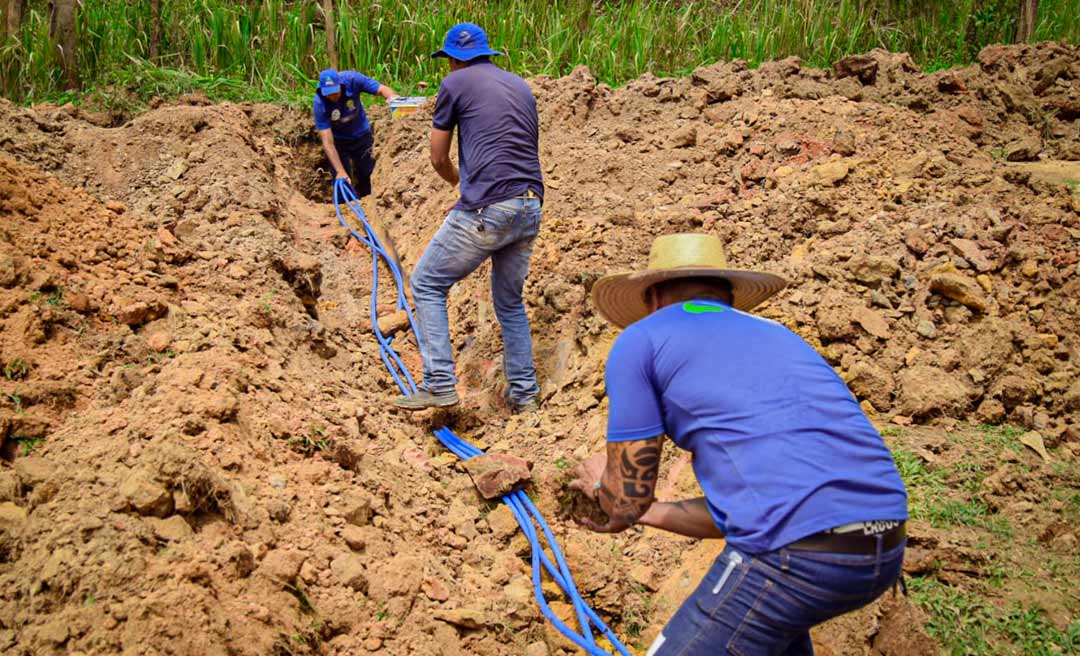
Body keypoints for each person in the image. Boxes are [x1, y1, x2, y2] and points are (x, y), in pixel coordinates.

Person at [569, 233, 909, 656]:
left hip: (795, 558)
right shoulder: (780, 336)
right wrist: (651, 512)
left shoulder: (641, 339)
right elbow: (766, 508)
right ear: (727, 295)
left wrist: (606, 483)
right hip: (884, 544)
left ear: (653, 295)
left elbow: (622, 505)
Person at [394, 23, 544, 413]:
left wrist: (459, 181)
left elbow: (438, 157)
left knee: (426, 282)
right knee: (509, 303)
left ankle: (439, 383)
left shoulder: (454, 85)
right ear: (486, 53)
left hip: (489, 206)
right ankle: (525, 396)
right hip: (530, 205)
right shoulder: (521, 86)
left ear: (453, 60)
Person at [313, 68, 396, 198]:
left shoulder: (353, 79)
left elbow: (382, 89)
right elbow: (327, 142)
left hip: (361, 134)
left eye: (335, 92)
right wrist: (340, 171)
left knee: (368, 174)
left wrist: (393, 100)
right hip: (338, 141)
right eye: (328, 94)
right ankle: (345, 210)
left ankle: (369, 203)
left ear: (341, 85)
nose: (332, 97)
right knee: (342, 184)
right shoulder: (319, 102)